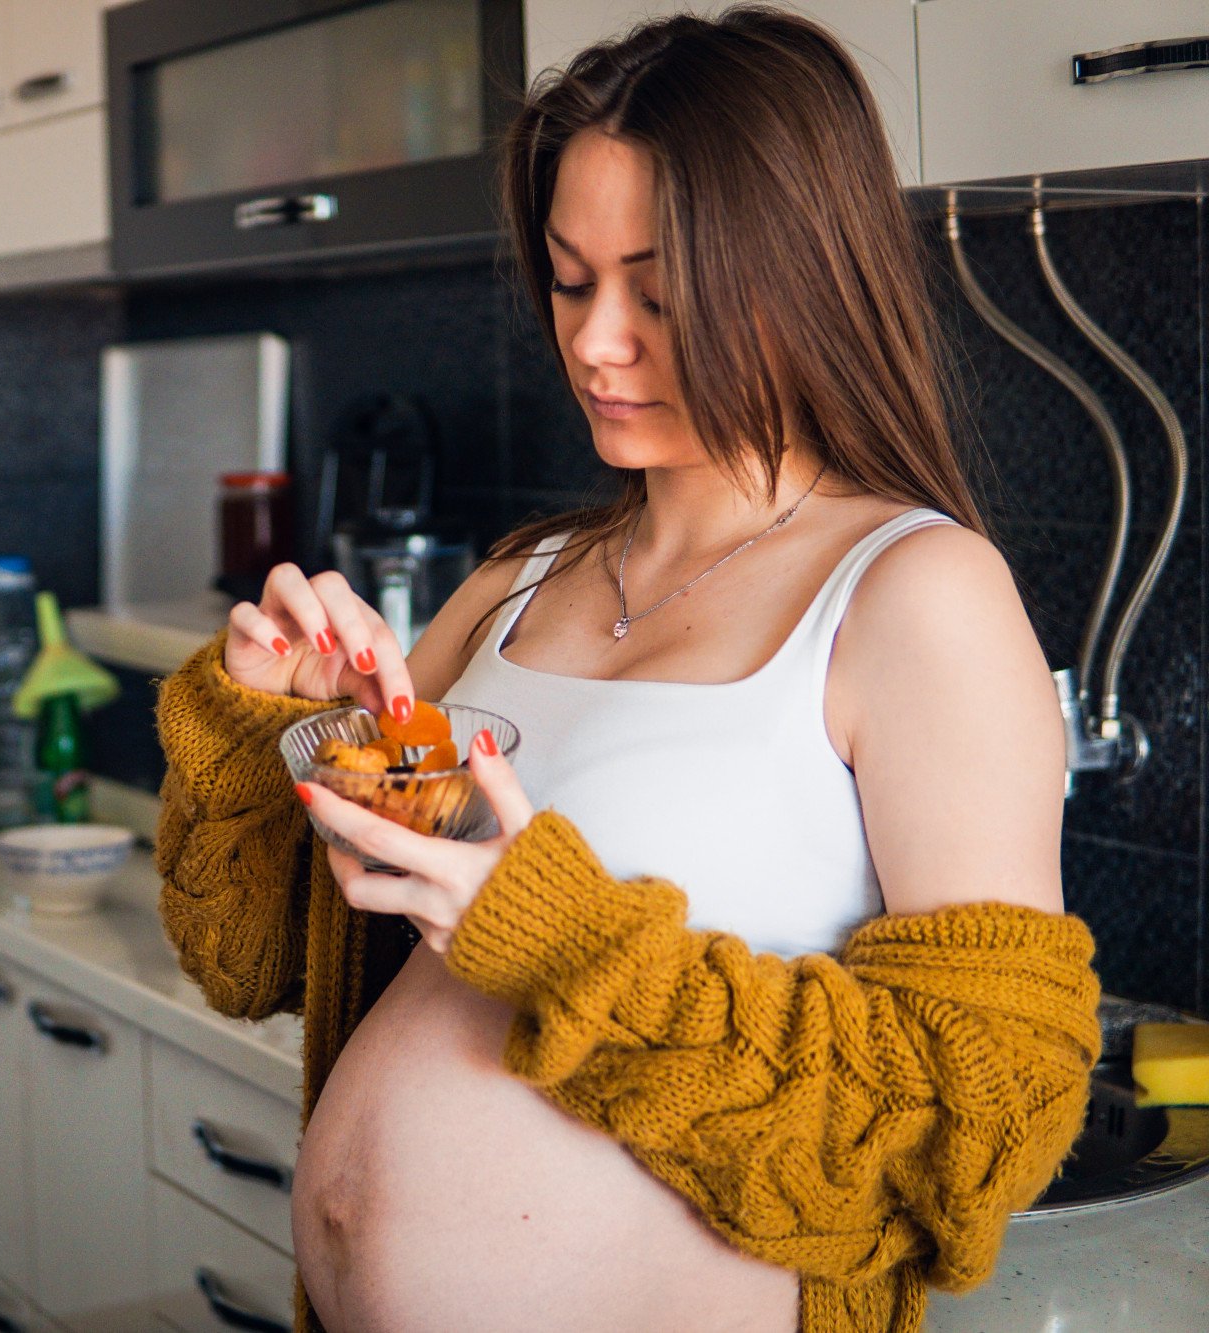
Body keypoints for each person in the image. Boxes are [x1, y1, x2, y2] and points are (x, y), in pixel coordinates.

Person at [153, 8, 1102, 1333]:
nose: (597, 341)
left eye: (658, 292)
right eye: (570, 276)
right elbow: (249, 957)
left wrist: (562, 941)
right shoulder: (517, 580)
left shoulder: (911, 595)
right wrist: (267, 722)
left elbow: (984, 1117)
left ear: (804, 278)